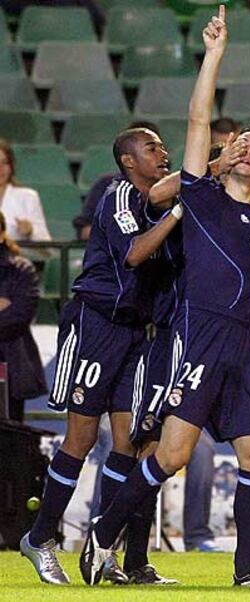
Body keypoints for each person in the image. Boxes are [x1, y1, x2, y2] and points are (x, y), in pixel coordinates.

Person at [78, 6, 250, 588]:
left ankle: (249, 570)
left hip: (245, 345)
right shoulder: (202, 195)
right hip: (195, 333)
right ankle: (103, 533)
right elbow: (199, 120)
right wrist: (214, 55)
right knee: (172, 455)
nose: (246, 146)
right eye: (242, 141)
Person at [19, 126, 183, 585]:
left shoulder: (160, 205)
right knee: (81, 437)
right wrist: (179, 212)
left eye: (163, 147)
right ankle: (41, 536)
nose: (162, 153)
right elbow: (133, 254)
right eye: (152, 148)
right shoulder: (117, 194)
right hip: (95, 324)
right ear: (129, 161)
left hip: (136, 332)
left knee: (131, 443)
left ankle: (108, 551)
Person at [0, 212, 47, 422]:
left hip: (11, 364)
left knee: (10, 438)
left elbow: (20, 316)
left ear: (2, 234)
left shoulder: (21, 269)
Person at [0, 139, 51, 243]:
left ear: (11, 167)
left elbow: (48, 248)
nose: (0, 169)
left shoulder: (28, 197)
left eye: (5, 163)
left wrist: (31, 231)